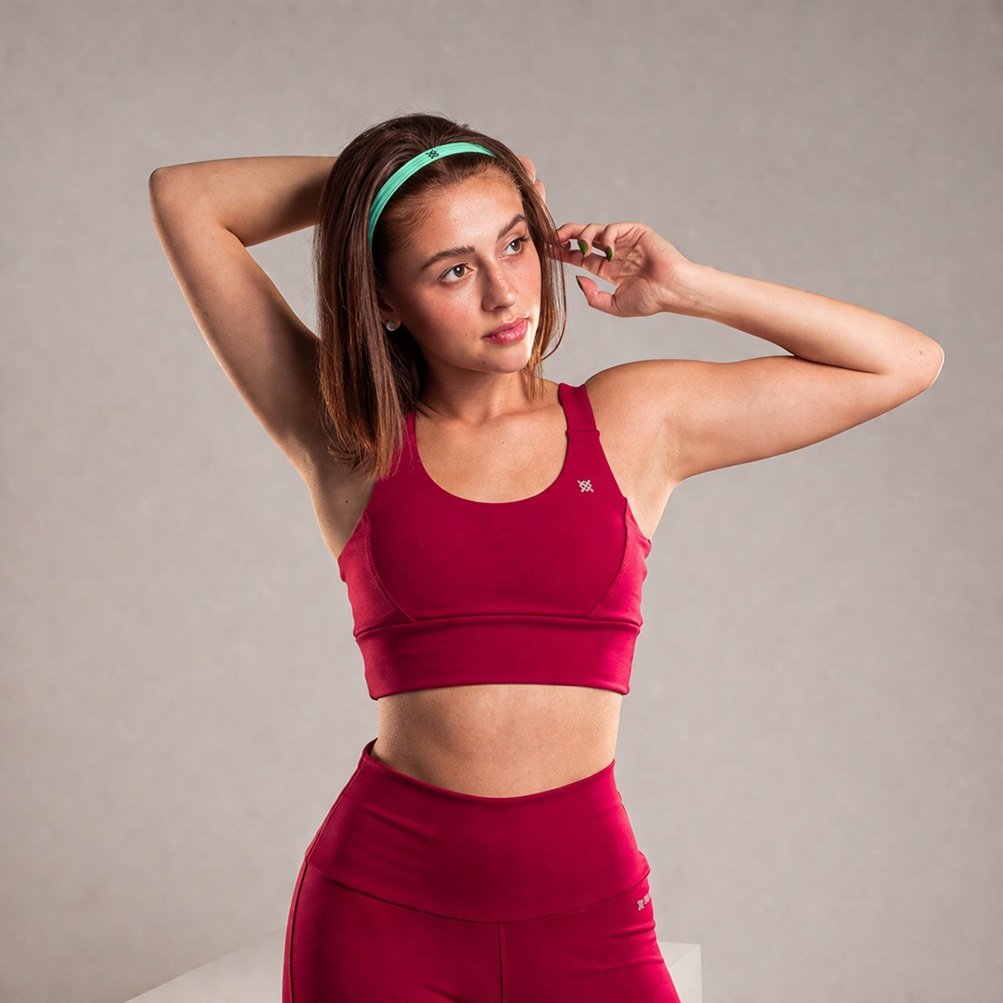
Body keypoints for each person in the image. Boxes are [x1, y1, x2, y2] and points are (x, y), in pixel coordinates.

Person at [148, 112, 943, 1003]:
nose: (504, 293)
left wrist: (687, 288)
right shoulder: (348, 434)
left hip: (586, 911)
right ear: (384, 299)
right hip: (382, 914)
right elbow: (186, 198)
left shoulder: (633, 421)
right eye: (452, 268)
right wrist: (403, 175)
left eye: (514, 243)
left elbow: (902, 363)